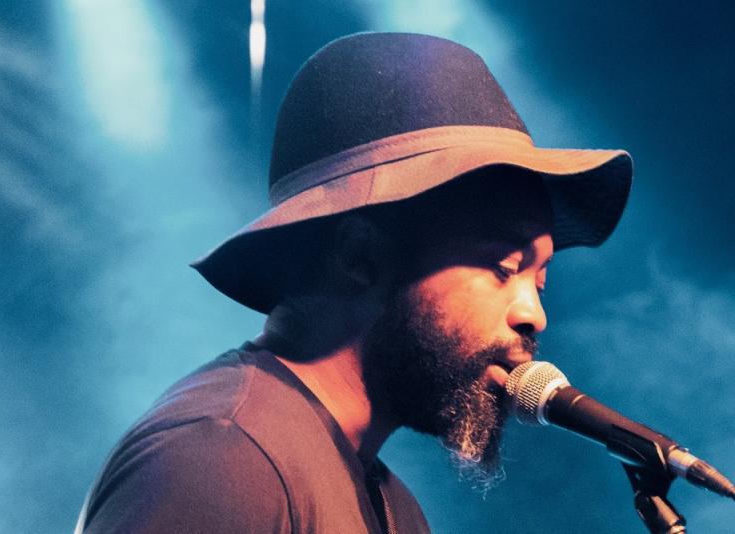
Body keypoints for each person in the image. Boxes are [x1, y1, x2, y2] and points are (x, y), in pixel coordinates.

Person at [75, 32, 632, 533]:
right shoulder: (222, 458)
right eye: (504, 268)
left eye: (540, 281)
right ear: (360, 255)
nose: (534, 314)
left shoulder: (390, 503)